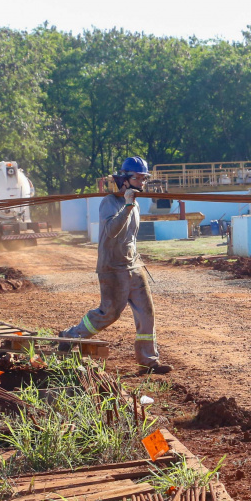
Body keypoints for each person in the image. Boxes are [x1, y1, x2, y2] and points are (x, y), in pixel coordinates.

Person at [59, 157, 173, 374]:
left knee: (146, 313)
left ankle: (148, 361)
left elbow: (131, 237)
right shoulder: (110, 202)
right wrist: (128, 206)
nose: (142, 182)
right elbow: (111, 231)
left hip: (133, 265)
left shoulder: (135, 202)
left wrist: (131, 204)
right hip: (112, 268)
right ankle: (71, 336)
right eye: (138, 178)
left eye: (144, 178)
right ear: (124, 179)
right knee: (109, 313)